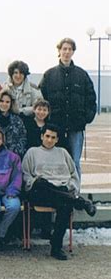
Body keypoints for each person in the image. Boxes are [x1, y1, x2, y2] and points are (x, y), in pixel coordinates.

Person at [22, 123, 97, 260]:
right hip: (40, 192)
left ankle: (56, 247)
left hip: (61, 192)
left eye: (53, 137)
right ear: (41, 136)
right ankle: (80, 202)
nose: (49, 140)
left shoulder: (63, 153)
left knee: (65, 205)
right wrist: (35, 183)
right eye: (47, 136)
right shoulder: (32, 152)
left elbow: (73, 175)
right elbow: (26, 176)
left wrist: (70, 187)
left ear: (57, 139)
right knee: (41, 183)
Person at [39, 38, 97, 178]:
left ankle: (75, 193)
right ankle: (59, 191)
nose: (66, 52)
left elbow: (91, 99)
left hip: (75, 127)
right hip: (55, 126)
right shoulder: (49, 75)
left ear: (73, 52)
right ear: (59, 51)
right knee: (55, 161)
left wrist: (86, 118)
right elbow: (41, 98)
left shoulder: (82, 75)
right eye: (64, 49)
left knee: (74, 161)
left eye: (69, 49)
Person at [0, 89, 27, 158]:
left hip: (12, 159)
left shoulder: (17, 121)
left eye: (7, 102)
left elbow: (22, 140)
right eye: (2, 101)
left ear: (11, 104)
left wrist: (13, 155)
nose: (4, 104)